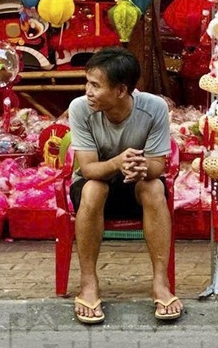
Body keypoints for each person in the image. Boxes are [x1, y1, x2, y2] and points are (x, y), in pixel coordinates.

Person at [67, 47, 182, 324]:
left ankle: (160, 283)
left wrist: (142, 167)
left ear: (121, 90)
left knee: (153, 187)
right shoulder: (80, 109)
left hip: (137, 186)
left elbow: (158, 166)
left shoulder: (153, 108)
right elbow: (88, 168)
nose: (88, 91)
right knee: (95, 187)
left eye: (96, 85)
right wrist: (118, 162)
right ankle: (88, 283)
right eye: (88, 83)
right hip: (95, 185)